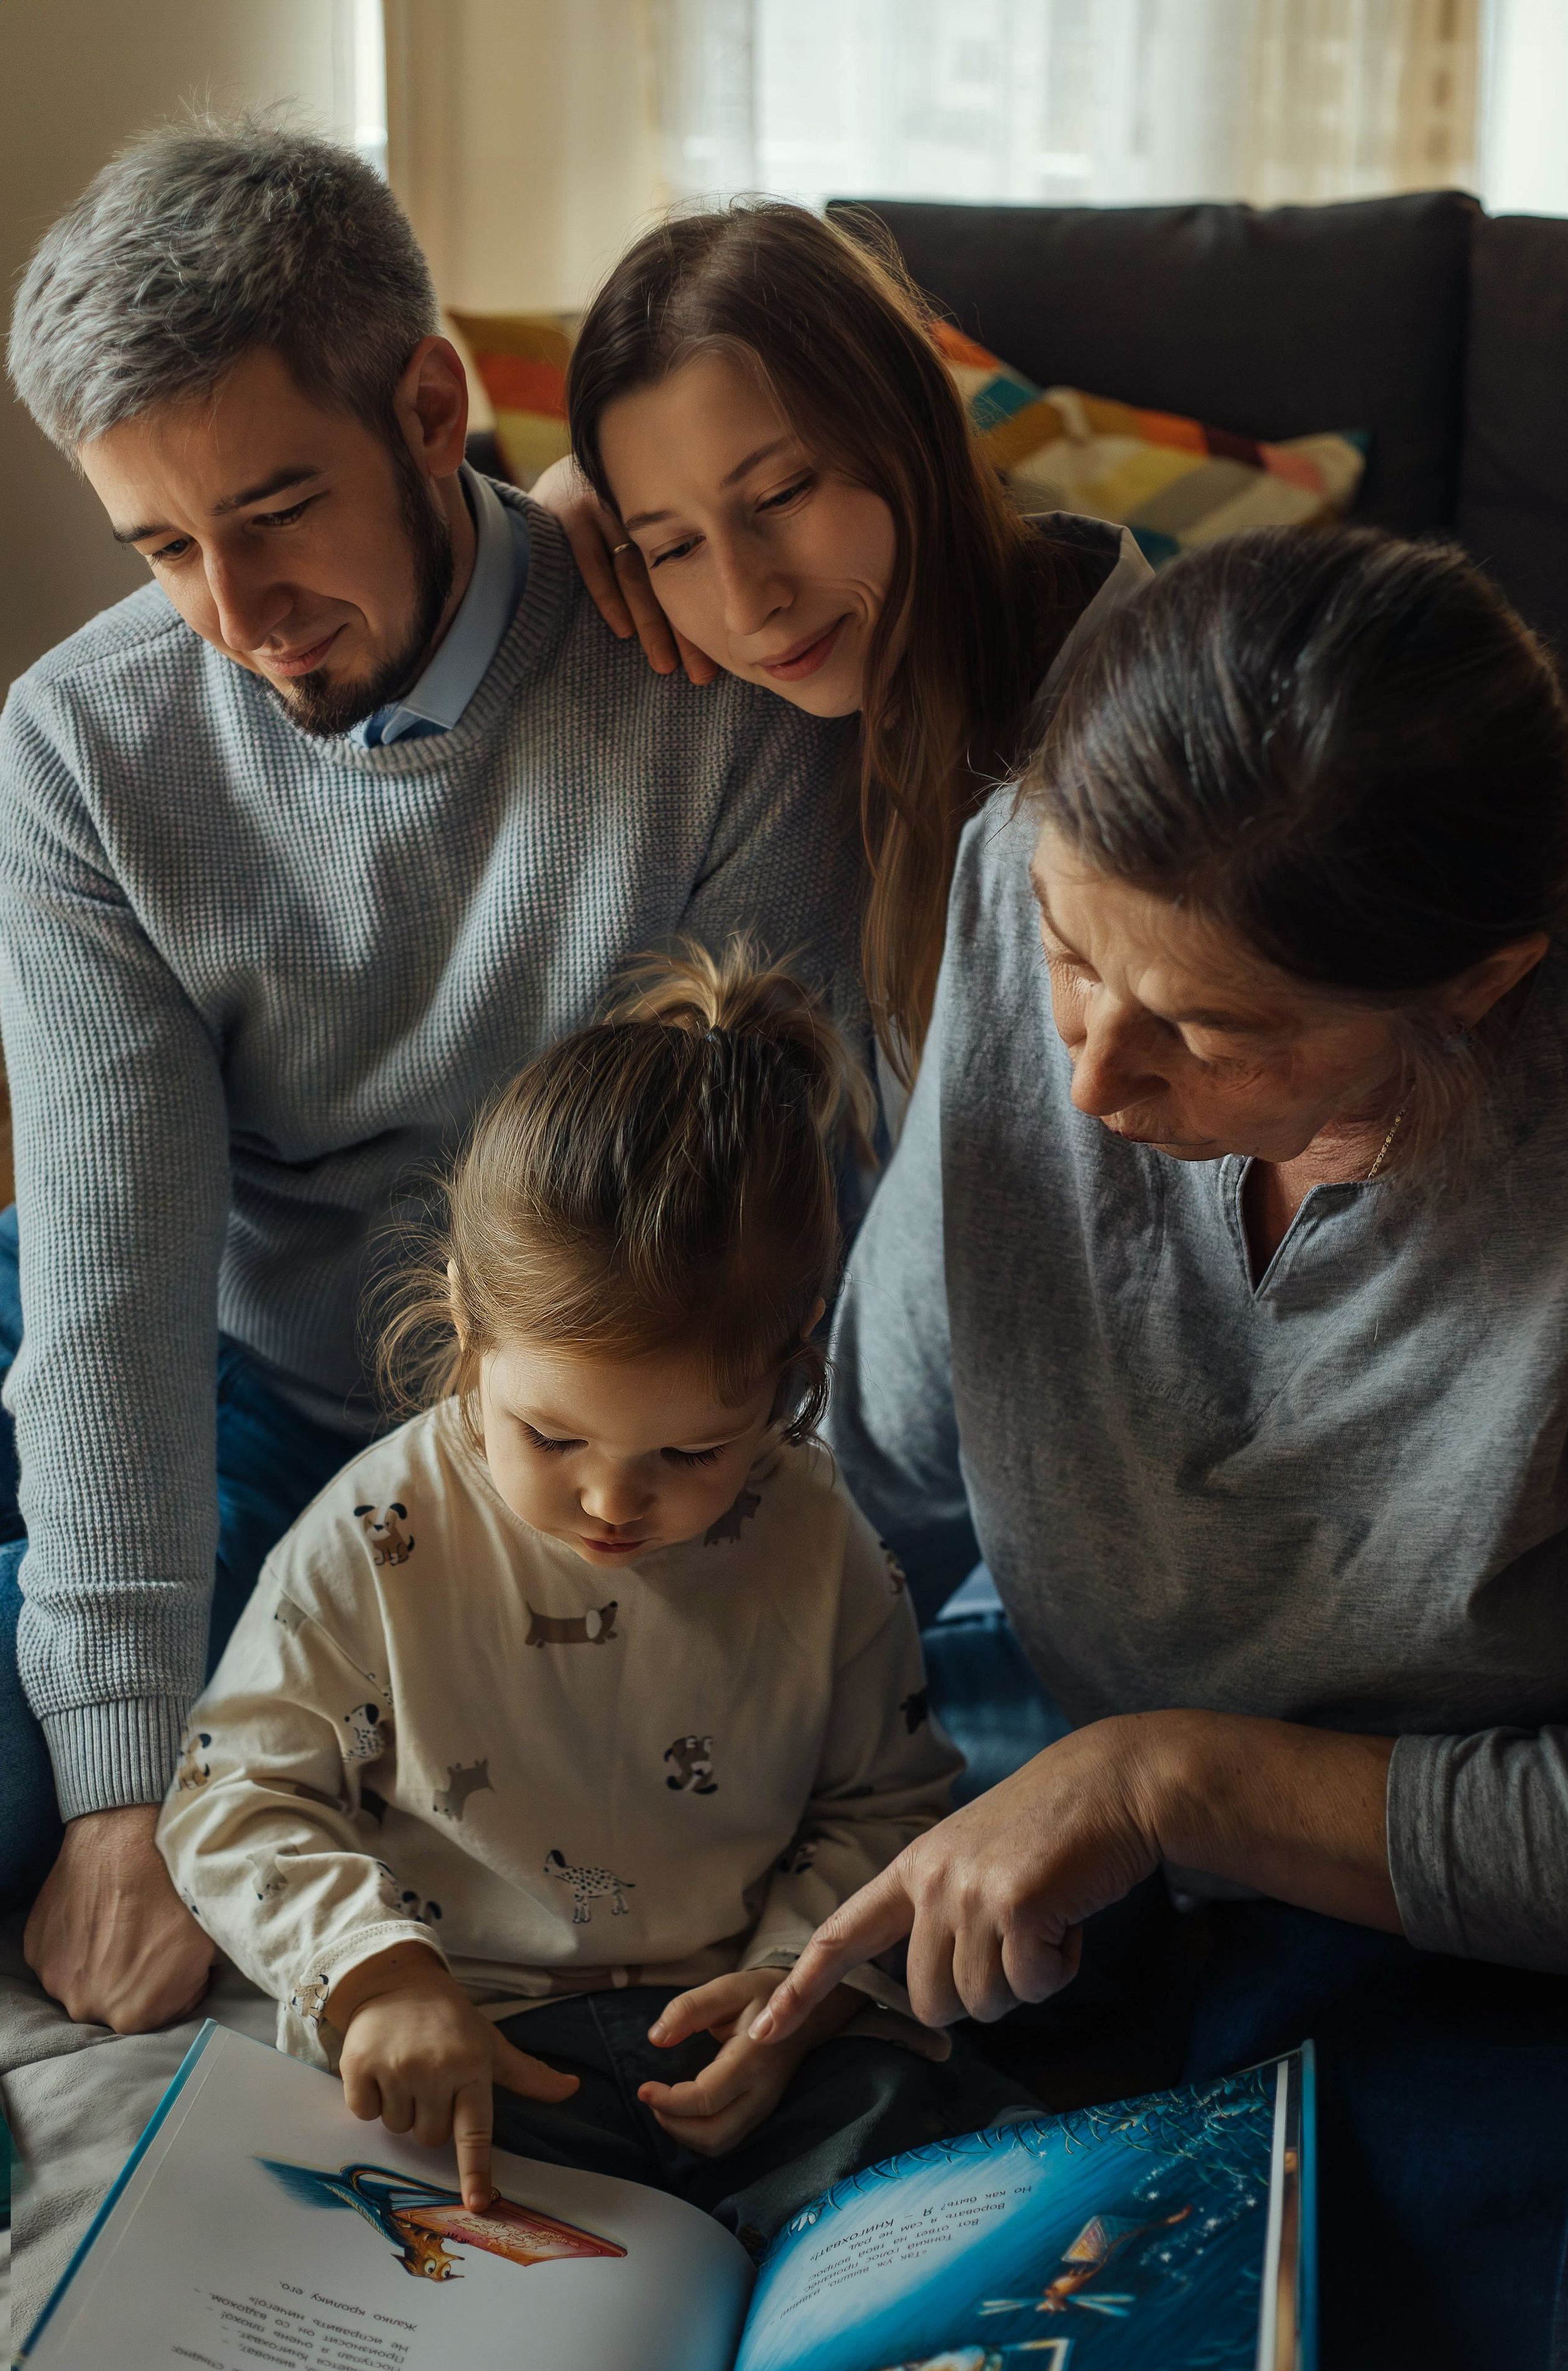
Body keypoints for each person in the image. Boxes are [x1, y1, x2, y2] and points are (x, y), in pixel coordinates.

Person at [0, 124, 865, 2034]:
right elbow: (113, 1287)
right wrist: (120, 1786)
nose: (233, 609)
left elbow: (792, 1210)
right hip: (225, 1350)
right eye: (159, 546)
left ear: (428, 405)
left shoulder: (702, 676)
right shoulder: (80, 745)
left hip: (560, 1418)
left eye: (275, 509)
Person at [748, 526, 1568, 2367]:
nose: (1086, 1084)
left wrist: (1176, 1785)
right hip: (1072, 1786)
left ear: (1480, 987)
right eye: (1065, 957)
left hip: (1454, 1878)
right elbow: (869, 1484)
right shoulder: (1021, 882)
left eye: (1212, 1030)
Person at [156, 947, 1034, 2240]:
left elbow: (884, 1804)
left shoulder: (818, 1533)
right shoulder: (379, 1527)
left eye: (690, 1454)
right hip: (483, 2039)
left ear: (788, 1381)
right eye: (552, 1438)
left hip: (746, 2036)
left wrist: (793, 1991)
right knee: (393, 2211)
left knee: (944, 2164)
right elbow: (232, 1793)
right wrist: (377, 1976)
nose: (613, 1502)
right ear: (464, 1322)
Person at [541, 198, 1152, 1083]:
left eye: (784, 495)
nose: (749, 605)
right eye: (675, 546)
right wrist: (558, 508)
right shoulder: (829, 683)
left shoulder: (1125, 784)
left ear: (911, 424)